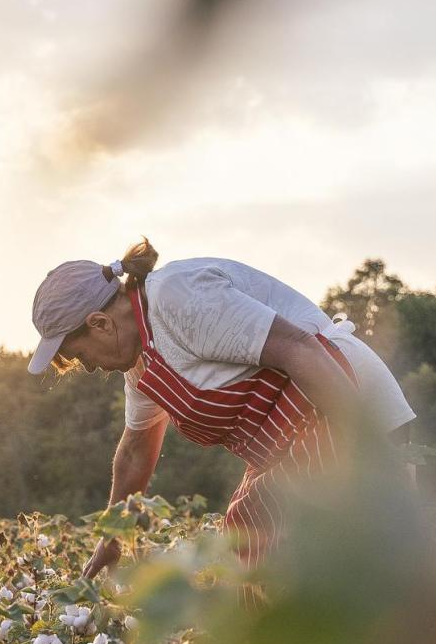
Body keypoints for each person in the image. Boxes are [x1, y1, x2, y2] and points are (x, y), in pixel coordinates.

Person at [26, 239, 415, 576]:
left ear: (99, 324)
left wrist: (371, 451)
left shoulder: (177, 297)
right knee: (253, 551)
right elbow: (134, 452)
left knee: (317, 573)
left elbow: (302, 350)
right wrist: (112, 539)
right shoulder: (144, 361)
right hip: (294, 446)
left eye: (79, 355)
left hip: (345, 406)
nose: (90, 367)